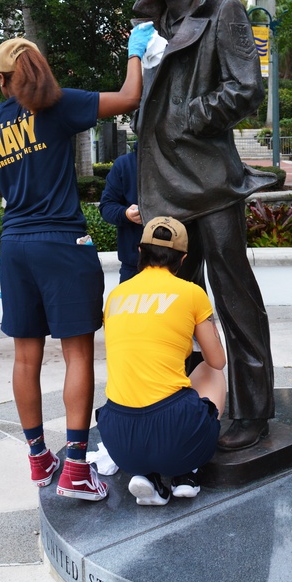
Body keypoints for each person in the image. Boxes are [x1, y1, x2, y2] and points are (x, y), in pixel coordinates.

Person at [0, 28, 149, 500]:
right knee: (78, 354)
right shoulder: (59, 105)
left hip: (17, 248)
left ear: (3, 80)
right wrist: (133, 50)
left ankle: (38, 459)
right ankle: (77, 469)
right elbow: (130, 97)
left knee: (26, 357)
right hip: (65, 242)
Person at [131, 0, 277, 451]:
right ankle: (184, 401)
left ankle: (254, 409)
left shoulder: (225, 12)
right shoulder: (150, 23)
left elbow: (247, 88)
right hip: (162, 181)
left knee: (234, 298)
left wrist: (190, 115)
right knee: (170, 301)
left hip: (210, 182)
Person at [96, 216, 227, 505]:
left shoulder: (116, 295)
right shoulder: (192, 293)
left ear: (140, 252)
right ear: (182, 259)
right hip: (173, 432)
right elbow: (217, 359)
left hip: (118, 437)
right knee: (211, 371)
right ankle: (187, 471)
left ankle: (146, 476)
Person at [99, 145, 142, 282]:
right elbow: (106, 206)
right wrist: (126, 214)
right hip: (134, 267)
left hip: (178, 265)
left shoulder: (178, 162)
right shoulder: (124, 164)